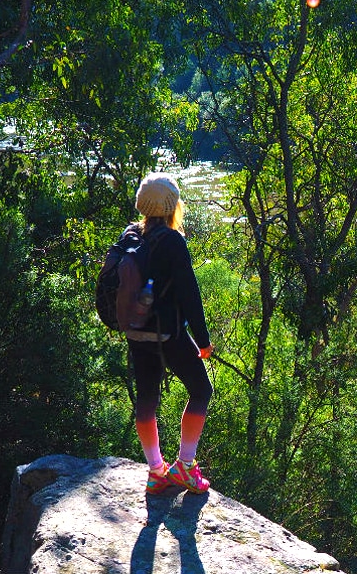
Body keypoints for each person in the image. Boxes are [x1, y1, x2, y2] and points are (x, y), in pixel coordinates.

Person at [126, 172, 214, 495]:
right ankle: (185, 467)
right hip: (169, 334)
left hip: (137, 334)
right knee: (201, 390)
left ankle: (155, 471)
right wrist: (203, 342)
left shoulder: (131, 236)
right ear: (171, 207)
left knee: (146, 401)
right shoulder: (173, 241)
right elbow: (190, 295)